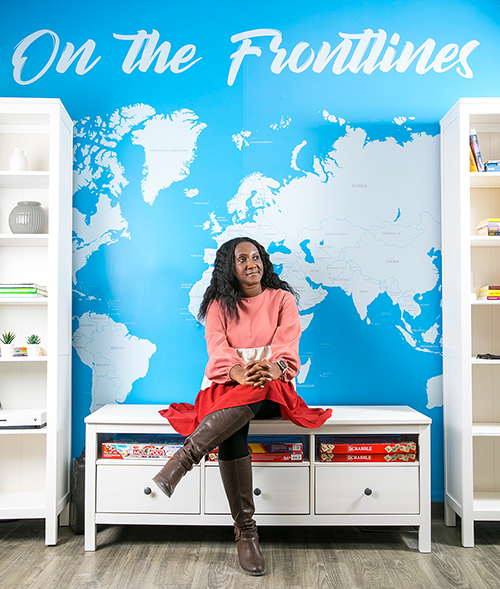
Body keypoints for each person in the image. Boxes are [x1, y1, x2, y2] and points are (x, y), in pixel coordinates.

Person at [153, 237, 332, 576]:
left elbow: (287, 348)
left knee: (261, 387)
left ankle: (183, 459)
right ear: (230, 269)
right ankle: (246, 532)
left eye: (256, 257)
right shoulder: (220, 305)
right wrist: (239, 372)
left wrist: (273, 368)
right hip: (225, 388)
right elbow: (217, 349)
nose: (252, 263)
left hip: (272, 391)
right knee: (232, 432)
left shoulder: (281, 300)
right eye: (242, 259)